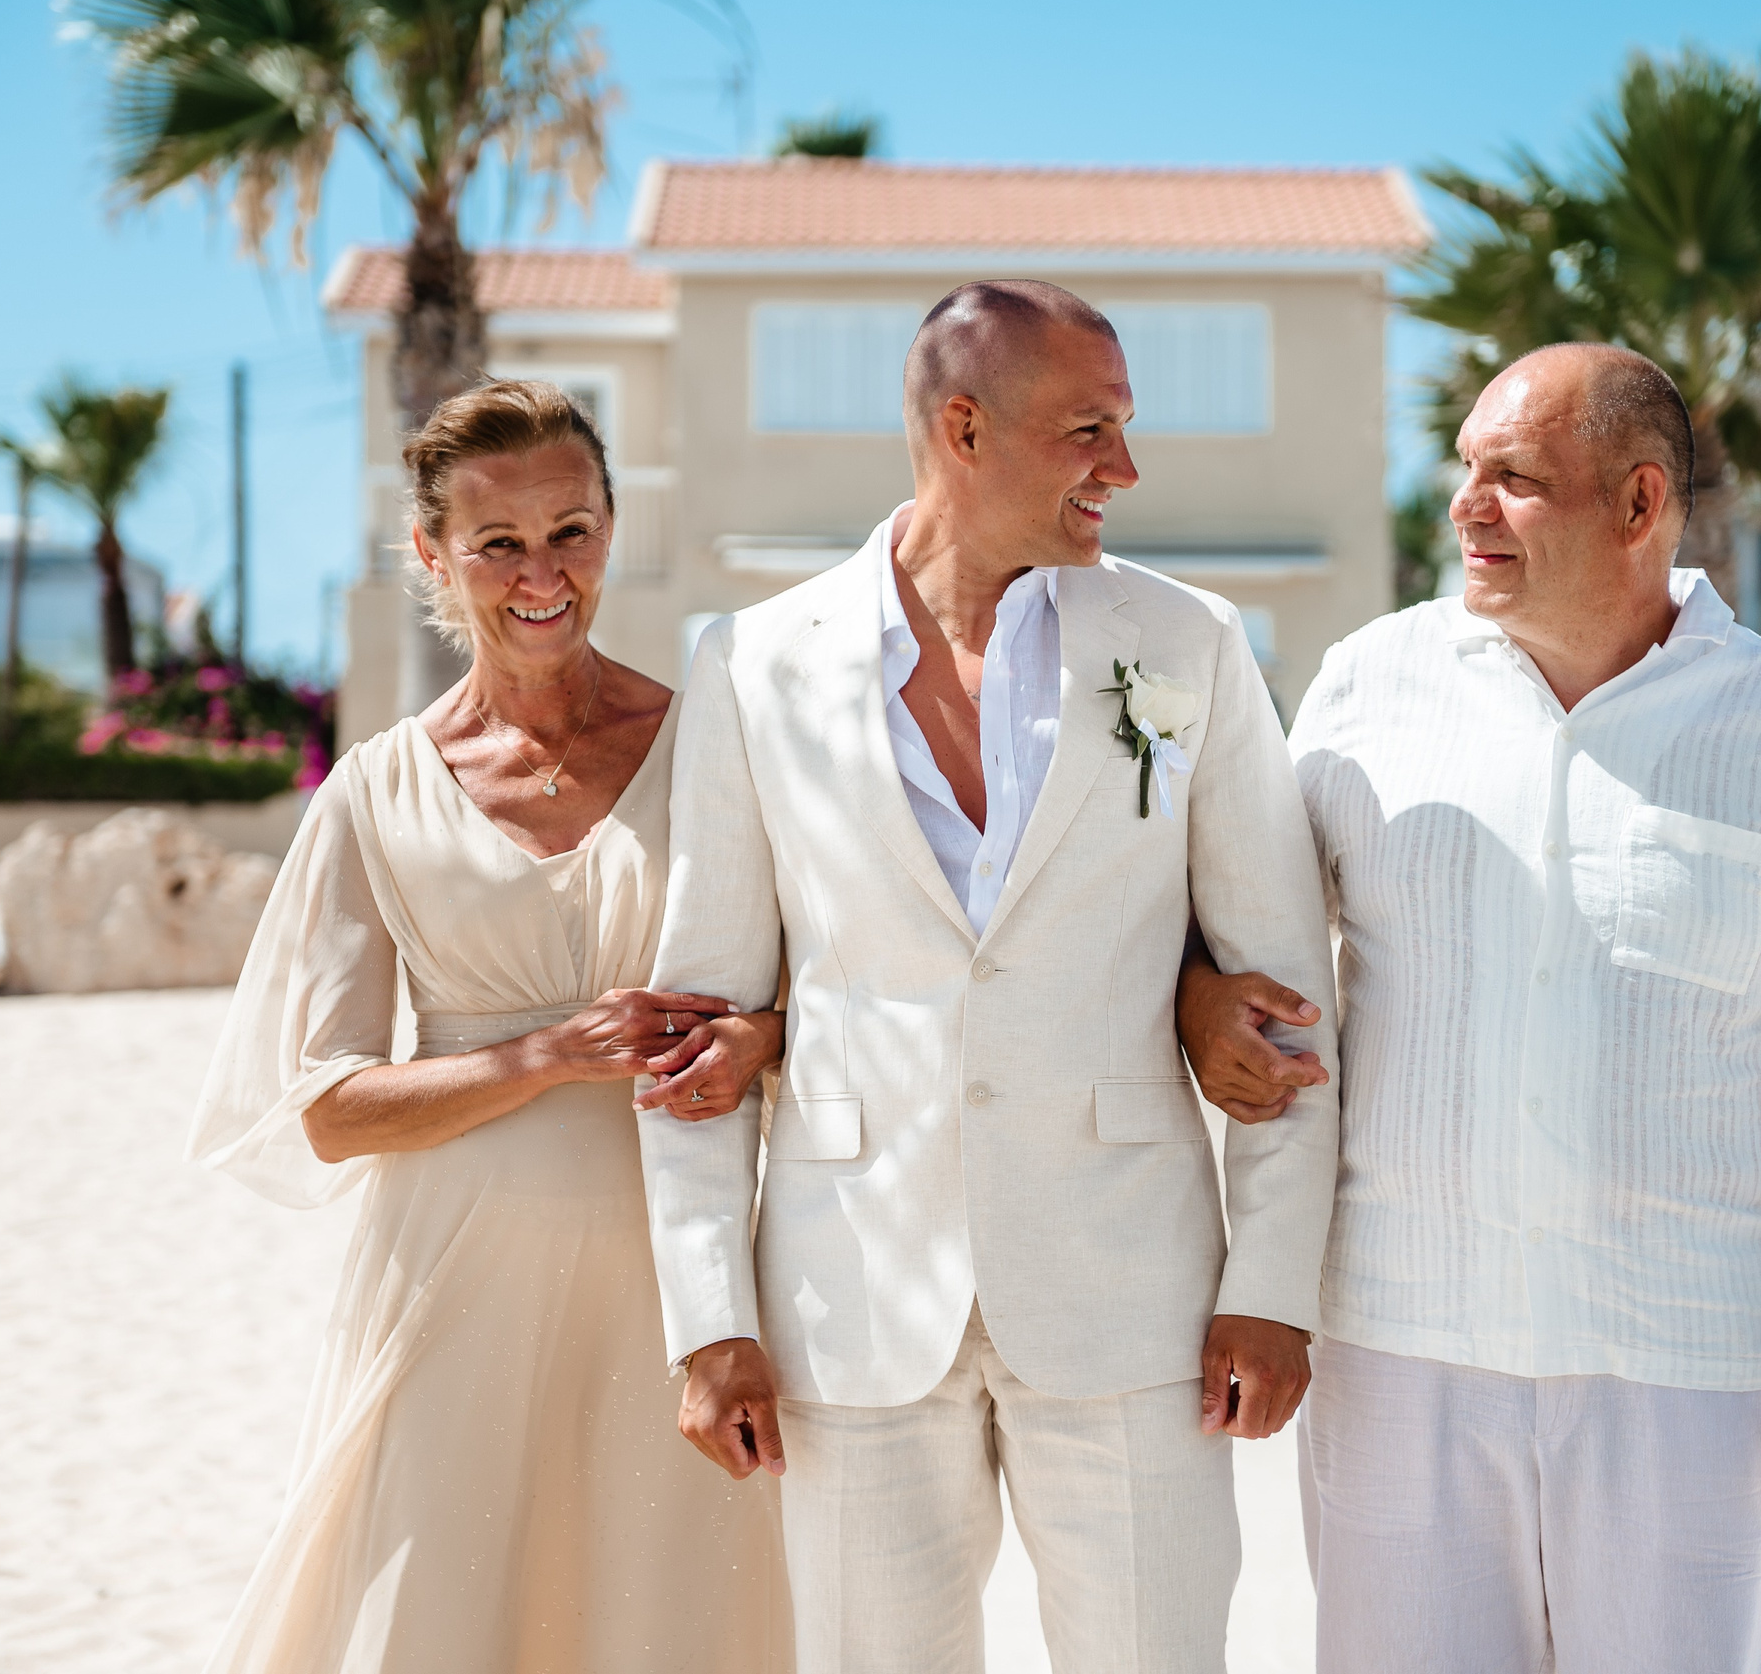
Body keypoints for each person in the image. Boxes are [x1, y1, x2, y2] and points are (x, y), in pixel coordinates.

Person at [1184, 343, 1761, 1672]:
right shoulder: (1369, 683)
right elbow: (1246, 938)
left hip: (1686, 1364)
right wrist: (1201, 1004)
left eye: (1517, 479)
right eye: (1466, 471)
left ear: (1641, 506)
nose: (1469, 506)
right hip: (1400, 1348)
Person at [635, 280, 1340, 1674]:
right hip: (849, 1304)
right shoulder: (754, 664)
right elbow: (696, 1026)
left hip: (1133, 1297)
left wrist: (1274, 1278)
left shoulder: (1187, 644)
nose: (1124, 470)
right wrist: (708, 1313)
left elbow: (1282, 989)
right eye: (1090, 429)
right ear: (964, 426)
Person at [187, 380, 791, 1674]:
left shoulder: (717, 751)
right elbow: (328, 1107)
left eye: (569, 529)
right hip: (451, 1284)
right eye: (497, 542)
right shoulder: (372, 795)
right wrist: (547, 1052)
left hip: (675, 1282)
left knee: (670, 1618)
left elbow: (814, 993)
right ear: (432, 553)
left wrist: (762, 1038)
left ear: (612, 527)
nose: (541, 572)